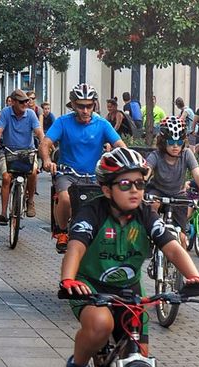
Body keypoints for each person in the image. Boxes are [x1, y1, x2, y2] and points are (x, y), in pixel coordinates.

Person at [59, 148, 199, 367]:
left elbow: (172, 246)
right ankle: (78, 366)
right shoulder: (92, 212)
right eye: (125, 184)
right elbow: (76, 247)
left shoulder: (145, 214)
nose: (135, 190)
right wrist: (69, 280)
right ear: (107, 190)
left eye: (140, 183)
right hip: (90, 287)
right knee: (102, 324)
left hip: (129, 291)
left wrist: (194, 277)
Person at [40, 83, 127, 253]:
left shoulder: (102, 124)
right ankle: (63, 231)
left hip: (95, 176)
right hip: (68, 174)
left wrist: (127, 162)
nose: (85, 110)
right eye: (80, 106)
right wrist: (46, 160)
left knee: (112, 201)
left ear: (94, 105)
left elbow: (120, 146)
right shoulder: (63, 122)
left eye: (89, 106)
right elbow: (45, 143)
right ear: (72, 105)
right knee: (65, 199)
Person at [146, 116, 199, 240]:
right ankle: (150, 234)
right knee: (152, 204)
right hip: (157, 191)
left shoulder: (186, 154)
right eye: (171, 142)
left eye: (179, 143)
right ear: (163, 141)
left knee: (181, 237)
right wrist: (140, 182)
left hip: (177, 194)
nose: (175, 146)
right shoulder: (156, 155)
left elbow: (197, 174)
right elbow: (146, 171)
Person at [0, 89, 46, 223]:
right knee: (6, 177)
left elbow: (39, 131)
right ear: (13, 102)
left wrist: (44, 143)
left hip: (28, 152)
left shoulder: (31, 114)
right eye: (21, 102)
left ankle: (30, 201)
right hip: (9, 151)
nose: (25, 104)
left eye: (27, 101)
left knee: (33, 172)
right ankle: (3, 213)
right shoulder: (5, 112)